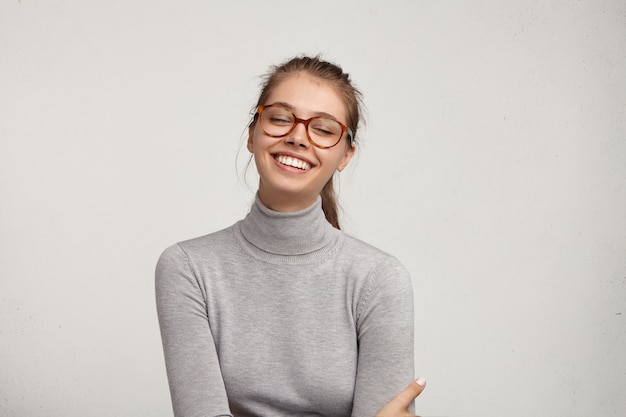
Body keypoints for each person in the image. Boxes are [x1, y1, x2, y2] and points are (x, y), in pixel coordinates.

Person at [156, 55, 426, 417]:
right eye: (280, 118)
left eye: (325, 129)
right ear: (252, 134)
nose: (298, 137)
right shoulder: (188, 268)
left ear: (346, 155)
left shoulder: (379, 279)